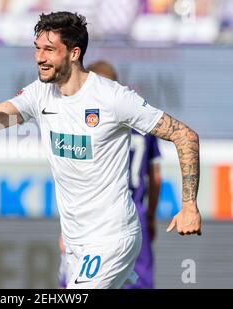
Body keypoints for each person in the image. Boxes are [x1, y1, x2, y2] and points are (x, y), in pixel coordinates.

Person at [0, 11, 201, 289]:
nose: (40, 58)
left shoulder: (112, 98)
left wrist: (189, 205)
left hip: (111, 237)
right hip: (74, 242)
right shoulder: (40, 93)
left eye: (49, 50)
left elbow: (184, 135)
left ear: (73, 53)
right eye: (37, 49)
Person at [57, 61, 161, 289]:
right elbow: (155, 176)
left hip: (93, 217)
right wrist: (150, 216)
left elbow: (74, 176)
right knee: (138, 283)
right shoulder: (142, 120)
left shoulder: (87, 121)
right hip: (135, 214)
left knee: (75, 284)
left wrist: (65, 229)